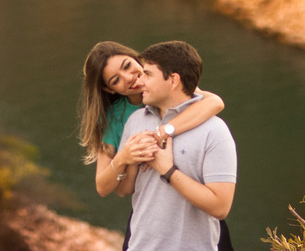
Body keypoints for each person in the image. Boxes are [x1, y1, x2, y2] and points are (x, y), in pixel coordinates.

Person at [77, 41, 232, 249]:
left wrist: (163, 132)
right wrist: (125, 157)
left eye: (127, 65)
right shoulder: (115, 119)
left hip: (199, 219)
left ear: (135, 58)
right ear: (108, 88)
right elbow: (106, 186)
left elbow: (215, 103)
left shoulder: (167, 84)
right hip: (150, 217)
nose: (130, 78)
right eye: (116, 80)